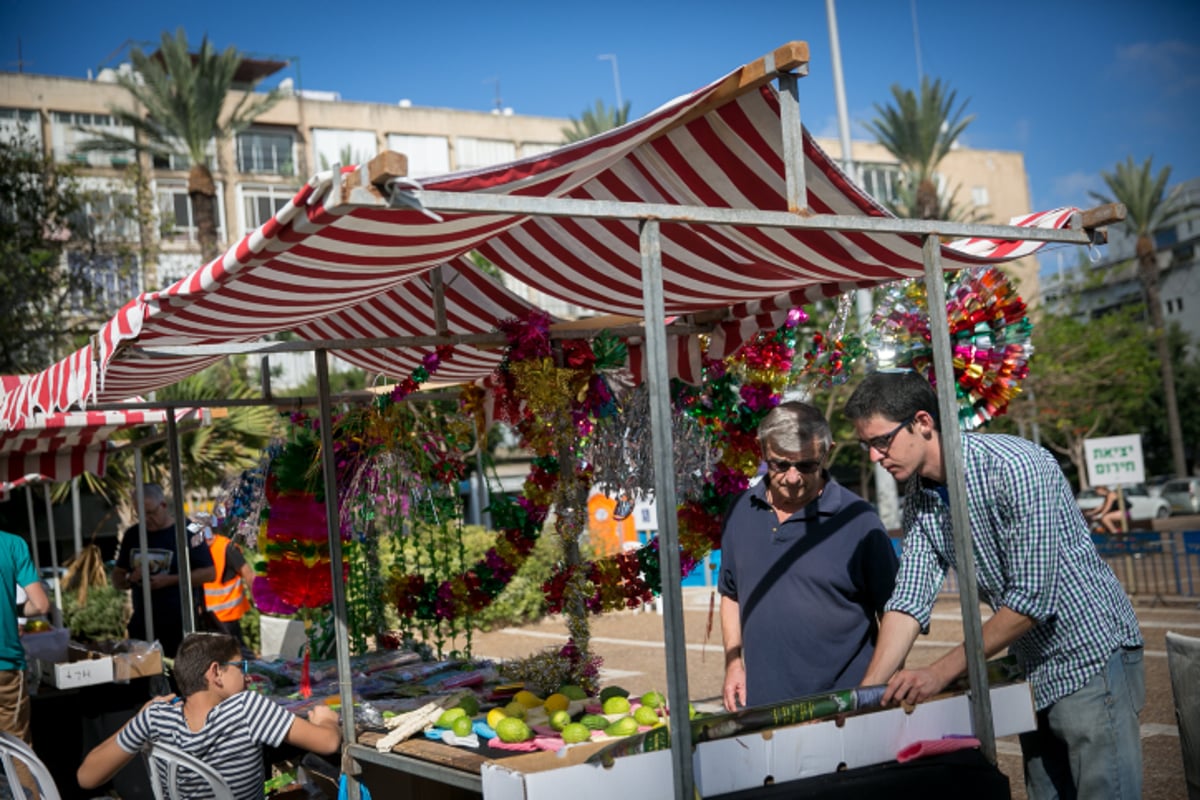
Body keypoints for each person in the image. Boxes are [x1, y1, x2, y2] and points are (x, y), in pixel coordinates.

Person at [843, 371, 1144, 800]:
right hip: (1033, 668)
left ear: (923, 422)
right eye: (866, 445)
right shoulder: (920, 497)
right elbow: (908, 599)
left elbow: (1030, 600)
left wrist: (937, 673)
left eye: (881, 441)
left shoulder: (1016, 467)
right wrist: (868, 693)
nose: (874, 456)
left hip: (1090, 659)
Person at [718, 401, 899, 710]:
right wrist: (733, 663)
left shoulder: (859, 520)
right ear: (762, 450)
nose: (792, 478)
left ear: (826, 452)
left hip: (844, 708)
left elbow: (895, 614)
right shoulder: (740, 510)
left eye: (806, 465)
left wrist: (872, 694)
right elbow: (731, 594)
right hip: (762, 709)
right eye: (779, 465)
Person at [77, 631, 341, 799]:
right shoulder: (247, 708)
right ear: (216, 672)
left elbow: (86, 777)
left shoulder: (155, 717)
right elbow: (328, 743)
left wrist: (140, 719)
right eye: (241, 666)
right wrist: (326, 720)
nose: (247, 676)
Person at [112, 484, 215, 658]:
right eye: (141, 515)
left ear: (163, 505)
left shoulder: (187, 531)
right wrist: (130, 578)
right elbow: (117, 578)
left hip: (180, 626)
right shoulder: (133, 535)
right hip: (143, 626)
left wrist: (169, 580)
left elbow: (209, 573)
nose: (147, 519)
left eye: (151, 513)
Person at [1, 531, 50, 748]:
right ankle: (24, 784)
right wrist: (13, 609)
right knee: (17, 749)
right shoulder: (12, 544)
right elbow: (40, 605)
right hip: (6, 664)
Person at [198, 515, 255, 652]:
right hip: (209, 615)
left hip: (227, 613)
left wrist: (258, 598)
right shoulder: (199, 551)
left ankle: (249, 669)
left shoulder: (226, 547)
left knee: (234, 651)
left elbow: (247, 573)